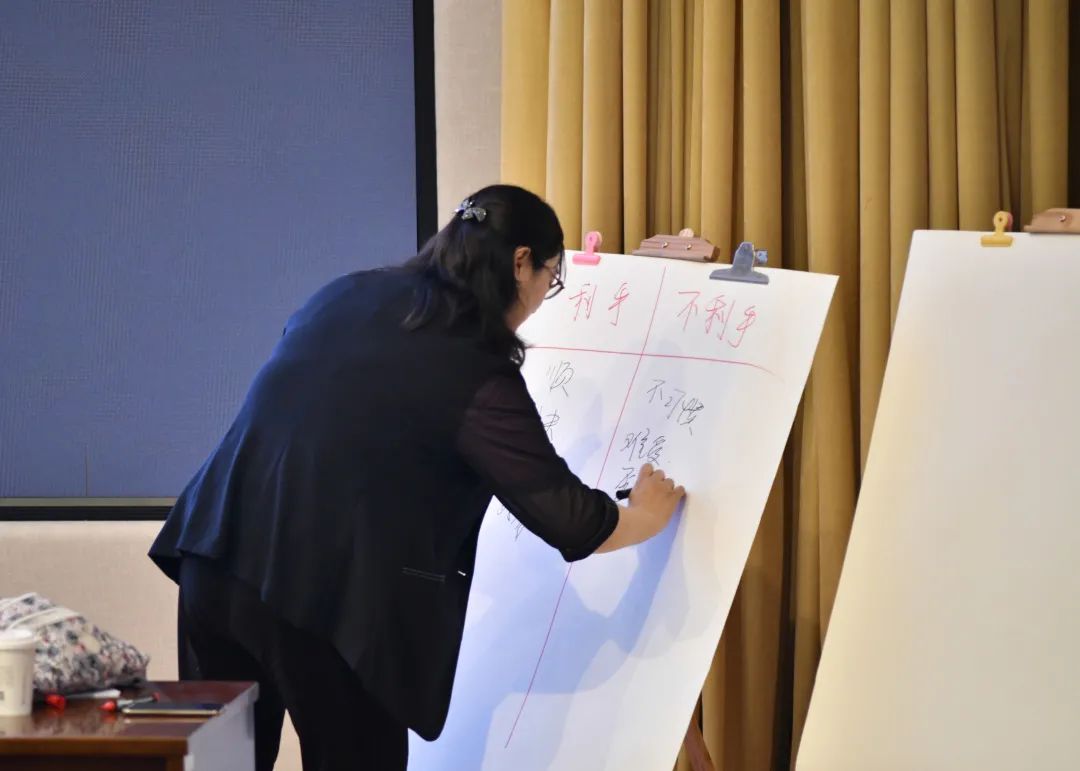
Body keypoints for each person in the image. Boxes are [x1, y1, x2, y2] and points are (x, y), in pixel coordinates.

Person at [148, 184, 686, 771]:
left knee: (223, 766)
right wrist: (647, 515)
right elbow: (570, 520)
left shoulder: (347, 292)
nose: (541, 298)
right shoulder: (474, 368)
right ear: (520, 262)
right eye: (550, 277)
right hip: (321, 594)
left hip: (212, 556)